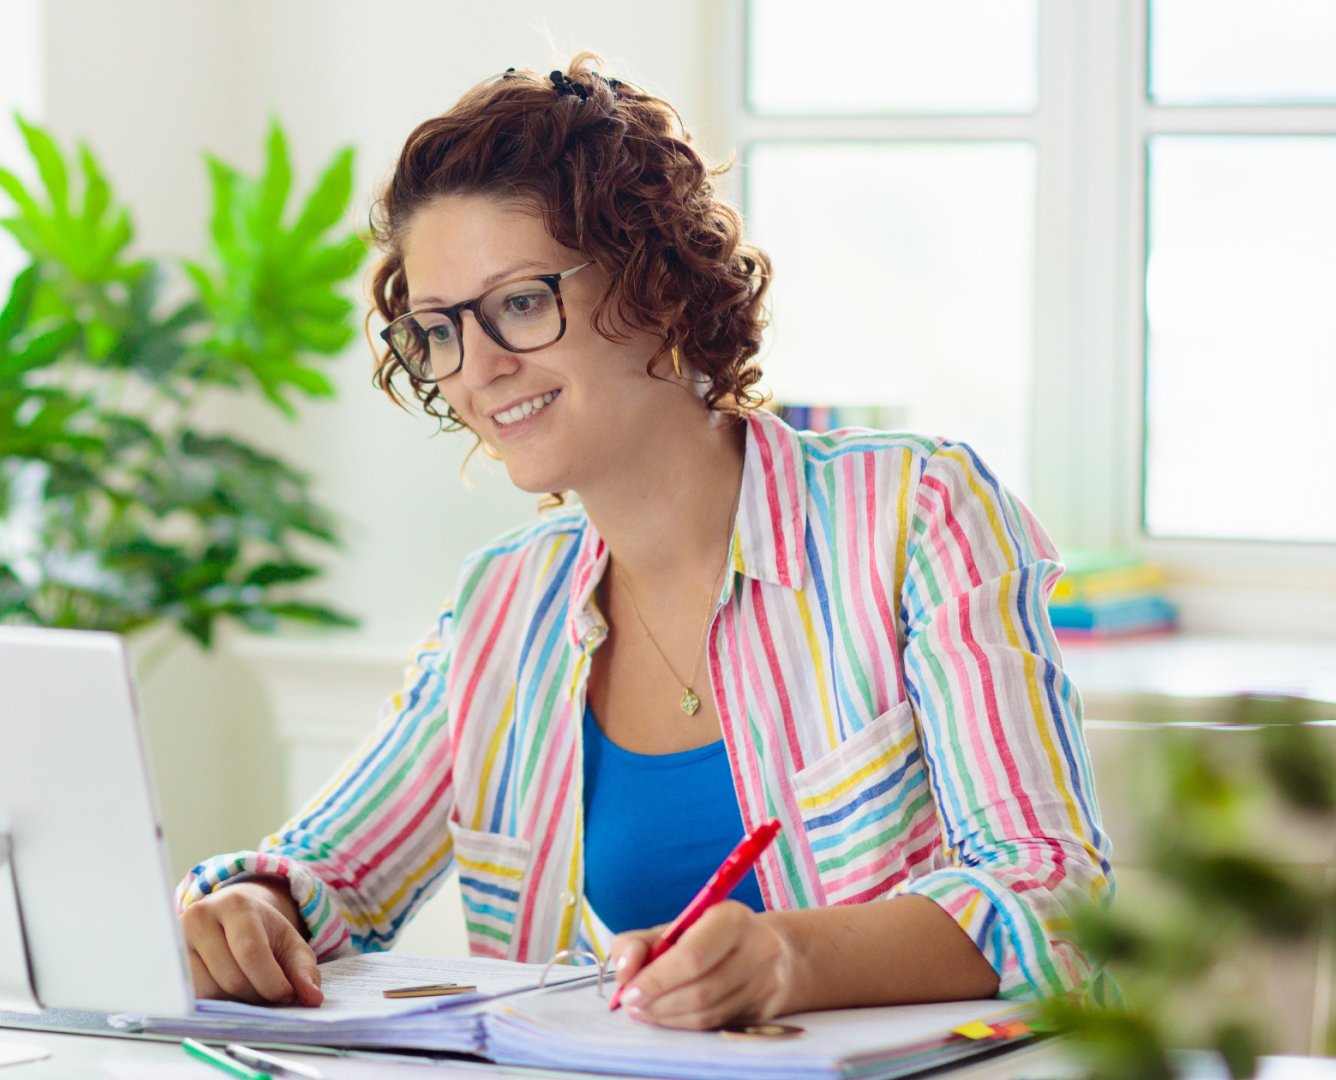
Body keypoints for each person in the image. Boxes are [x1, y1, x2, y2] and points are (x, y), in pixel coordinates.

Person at [175, 54, 1111, 1032]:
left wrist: (787, 957)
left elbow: (1050, 899)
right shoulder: (505, 606)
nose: (480, 367)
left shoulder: (916, 514)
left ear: (657, 284)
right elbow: (329, 869)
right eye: (439, 329)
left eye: (523, 302)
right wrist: (254, 908)